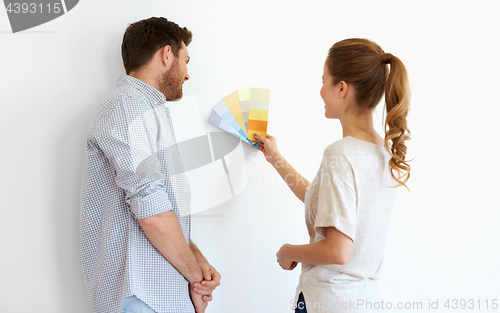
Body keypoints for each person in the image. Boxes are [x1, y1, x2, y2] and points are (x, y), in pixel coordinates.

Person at [254, 38, 412, 312]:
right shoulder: (382, 154)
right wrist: (276, 159)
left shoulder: (340, 154)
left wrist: (288, 251)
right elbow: (324, 201)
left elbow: (337, 251)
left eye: (324, 81)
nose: (320, 91)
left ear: (341, 88)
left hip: (330, 302)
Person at [80, 17, 220, 313]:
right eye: (186, 61)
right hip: (140, 297)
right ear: (167, 55)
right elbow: (151, 211)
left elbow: (160, 208)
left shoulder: (147, 111)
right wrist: (196, 277)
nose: (187, 74)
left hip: (155, 297)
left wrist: (197, 262)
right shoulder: (127, 105)